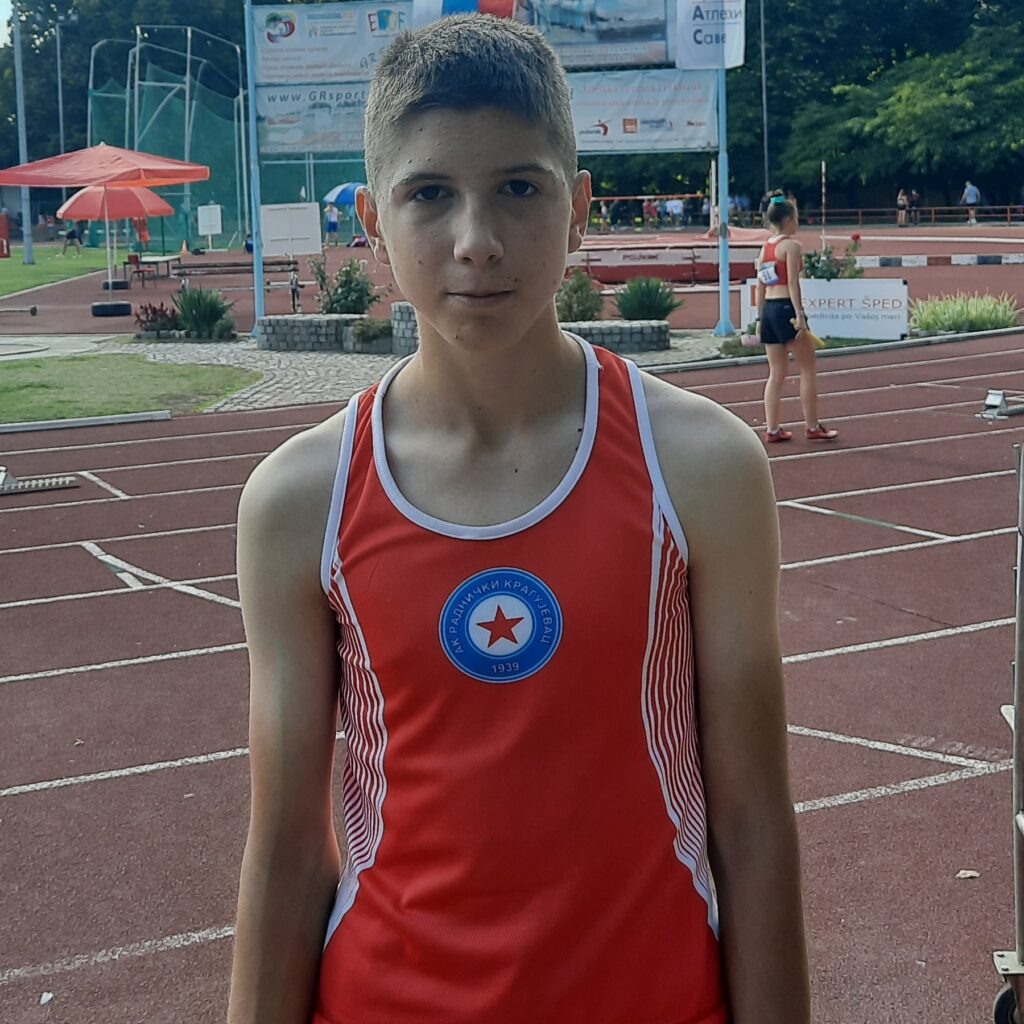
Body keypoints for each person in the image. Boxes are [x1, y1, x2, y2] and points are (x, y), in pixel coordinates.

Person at [227, 14, 809, 1024]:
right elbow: (284, 847)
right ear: (371, 220)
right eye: (429, 194)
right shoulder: (298, 500)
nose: (476, 241)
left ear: (577, 210)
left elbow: (753, 819)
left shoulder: (701, 466)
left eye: (518, 189)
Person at [755, 197, 838, 443]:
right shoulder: (791, 246)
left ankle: (772, 429)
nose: (798, 222)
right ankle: (812, 426)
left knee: (775, 373)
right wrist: (800, 314)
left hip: (769, 309)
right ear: (788, 219)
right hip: (785, 308)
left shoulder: (765, 248)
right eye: (796, 217)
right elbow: (793, 282)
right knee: (808, 368)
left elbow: (760, 286)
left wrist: (759, 318)